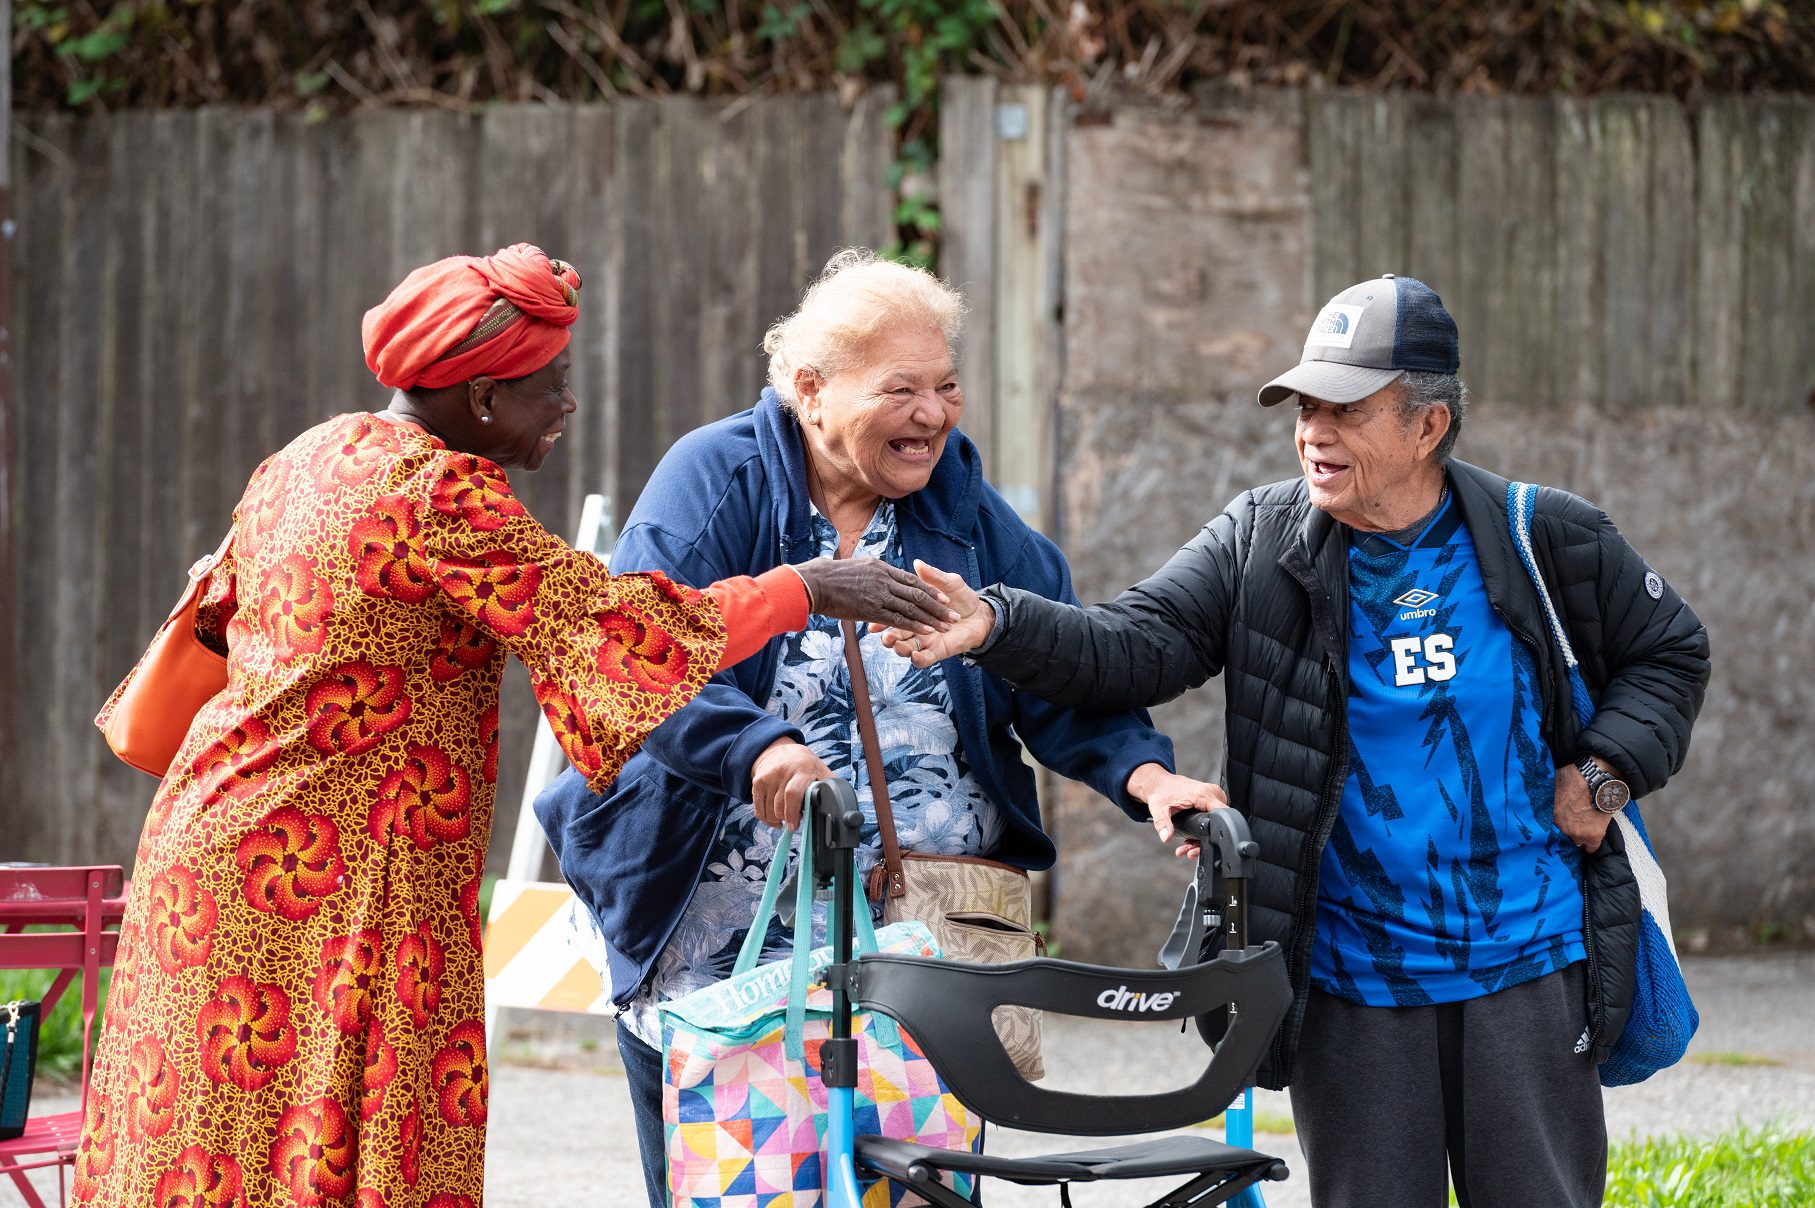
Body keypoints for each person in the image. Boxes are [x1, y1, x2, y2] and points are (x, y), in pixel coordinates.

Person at [75, 244, 953, 1208]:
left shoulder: (310, 455)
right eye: (552, 387)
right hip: (341, 873)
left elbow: (219, 620)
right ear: (485, 397)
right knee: (342, 1126)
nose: (566, 407)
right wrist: (805, 585)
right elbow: (606, 630)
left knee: (215, 1135)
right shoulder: (439, 494)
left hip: (211, 853)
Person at [883, 275, 1711, 1208]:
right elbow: (1130, 646)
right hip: (1350, 974)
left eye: (1346, 409)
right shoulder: (1260, 539)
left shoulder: (1541, 536)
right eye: (1305, 405)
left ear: (1428, 425)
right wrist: (997, 624)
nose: (1314, 430)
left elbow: (1669, 654)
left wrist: (1601, 776)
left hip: (1525, 962)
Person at [533, 249, 1189, 1206]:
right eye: (903, 390)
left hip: (915, 939)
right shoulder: (718, 480)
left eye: (947, 385)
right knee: (741, 1187)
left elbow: (1053, 670)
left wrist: (1146, 776)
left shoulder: (960, 510)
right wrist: (757, 746)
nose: (933, 414)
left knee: (916, 1188)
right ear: (811, 391)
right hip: (722, 938)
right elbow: (635, 656)